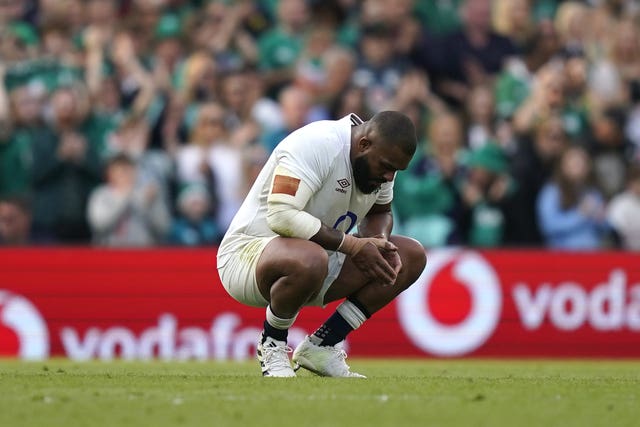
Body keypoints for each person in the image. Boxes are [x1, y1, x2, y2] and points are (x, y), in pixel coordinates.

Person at [217, 110, 426, 377]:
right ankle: (272, 345)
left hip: (321, 257)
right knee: (311, 257)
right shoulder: (315, 144)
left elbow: (379, 212)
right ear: (363, 144)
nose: (388, 177)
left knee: (411, 255)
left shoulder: (379, 158)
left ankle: (322, 346)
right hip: (248, 256)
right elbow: (282, 215)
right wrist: (352, 245)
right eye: (386, 167)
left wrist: (378, 243)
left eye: (395, 170)